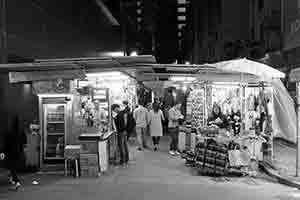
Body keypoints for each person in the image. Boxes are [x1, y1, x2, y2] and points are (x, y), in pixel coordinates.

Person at [4, 116, 27, 190]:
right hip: (19, 151)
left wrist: (3, 152)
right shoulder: (21, 131)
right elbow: (24, 142)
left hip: (10, 152)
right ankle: (13, 179)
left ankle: (16, 181)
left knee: (11, 167)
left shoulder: (9, 132)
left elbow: (6, 143)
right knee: (14, 166)